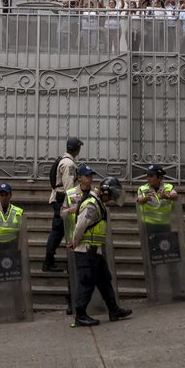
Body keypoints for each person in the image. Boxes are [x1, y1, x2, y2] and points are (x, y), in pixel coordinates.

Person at [69, 177, 132, 326]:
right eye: (111, 196)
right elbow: (80, 225)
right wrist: (75, 241)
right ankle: (80, 315)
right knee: (87, 283)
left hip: (95, 249)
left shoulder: (99, 203)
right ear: (105, 192)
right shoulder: (91, 204)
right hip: (86, 250)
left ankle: (113, 309)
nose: (111, 199)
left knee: (104, 280)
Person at [135, 164, 184, 299]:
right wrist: (143, 199)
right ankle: (154, 292)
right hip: (149, 228)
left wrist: (168, 196)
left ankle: (176, 291)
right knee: (152, 261)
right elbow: (138, 199)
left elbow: (175, 195)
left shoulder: (167, 187)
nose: (149, 179)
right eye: (148, 176)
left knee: (171, 259)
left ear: (160, 177)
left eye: (152, 176)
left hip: (165, 227)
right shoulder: (143, 189)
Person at [0, 182, 26, 315]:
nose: (4, 197)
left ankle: (18, 309)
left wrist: (19, 249)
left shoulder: (18, 211)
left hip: (12, 247)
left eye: (6, 194)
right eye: (1, 195)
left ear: (10, 195)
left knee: (15, 280)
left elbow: (22, 233)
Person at [43, 136, 83, 272]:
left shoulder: (64, 160)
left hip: (59, 199)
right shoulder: (69, 164)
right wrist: (73, 206)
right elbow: (69, 188)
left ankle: (49, 261)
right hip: (62, 201)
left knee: (59, 231)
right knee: (57, 231)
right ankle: (48, 262)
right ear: (77, 149)